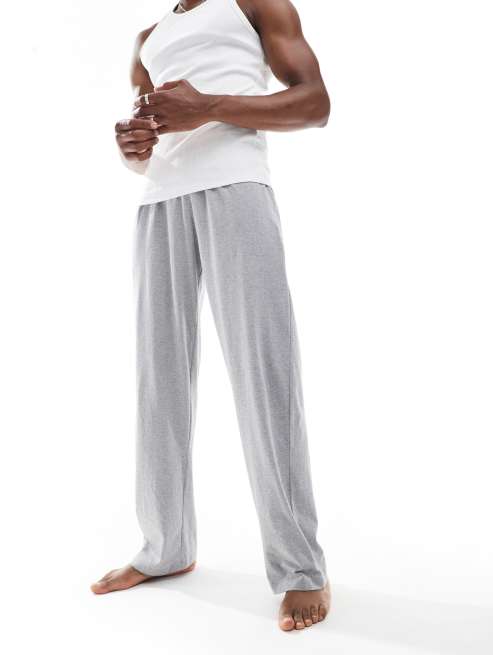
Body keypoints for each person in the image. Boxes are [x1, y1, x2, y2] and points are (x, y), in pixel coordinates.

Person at [91, 0, 331, 632]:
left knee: (264, 375)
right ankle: (165, 547)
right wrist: (132, 148)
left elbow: (315, 104)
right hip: (160, 202)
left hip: (236, 189)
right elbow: (147, 142)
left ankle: (301, 569)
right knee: (159, 382)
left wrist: (211, 106)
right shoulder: (148, 36)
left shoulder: (254, 4)